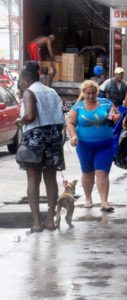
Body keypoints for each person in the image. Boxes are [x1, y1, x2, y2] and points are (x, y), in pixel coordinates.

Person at [16, 61, 65, 232]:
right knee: (51, 179)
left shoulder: (29, 92)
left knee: (33, 180)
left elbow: (29, 115)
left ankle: (37, 223)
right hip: (54, 138)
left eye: (21, 80)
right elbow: (61, 118)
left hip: (36, 140)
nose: (21, 83)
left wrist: (19, 120)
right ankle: (50, 220)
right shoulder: (52, 91)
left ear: (25, 79)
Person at [67, 80, 120, 211]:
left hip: (104, 145)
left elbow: (117, 114)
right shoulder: (78, 107)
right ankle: (88, 198)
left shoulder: (106, 103)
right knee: (87, 172)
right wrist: (73, 136)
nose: (91, 96)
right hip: (84, 145)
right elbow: (70, 123)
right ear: (83, 93)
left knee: (102, 173)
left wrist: (117, 117)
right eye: (88, 93)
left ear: (97, 92)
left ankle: (104, 202)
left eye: (93, 93)